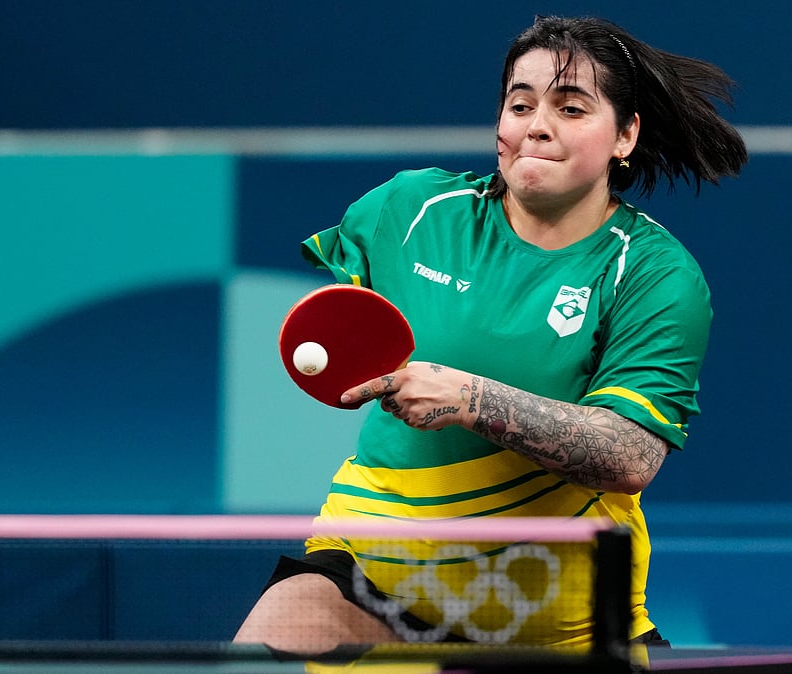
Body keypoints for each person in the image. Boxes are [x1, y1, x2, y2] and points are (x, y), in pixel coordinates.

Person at [234, 15, 747, 655]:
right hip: (369, 582)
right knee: (256, 658)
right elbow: (344, 324)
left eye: (570, 107)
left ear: (625, 135)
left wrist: (474, 401)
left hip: (563, 628)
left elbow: (631, 456)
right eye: (520, 103)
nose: (537, 124)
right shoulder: (410, 211)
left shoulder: (652, 273)